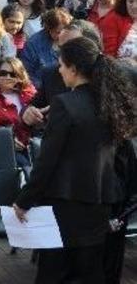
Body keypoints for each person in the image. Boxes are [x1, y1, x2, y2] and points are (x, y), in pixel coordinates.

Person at [13, 37, 137, 284]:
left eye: (61, 64)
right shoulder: (112, 102)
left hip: (64, 202)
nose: (59, 70)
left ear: (74, 68)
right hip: (101, 200)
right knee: (90, 272)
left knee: (54, 272)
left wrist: (24, 200)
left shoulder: (65, 104)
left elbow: (48, 160)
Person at [0, 57, 36, 173]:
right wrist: (6, 139)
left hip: (31, 145)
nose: (7, 78)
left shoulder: (31, 94)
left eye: (13, 74)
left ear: (20, 76)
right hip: (2, 148)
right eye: (3, 73)